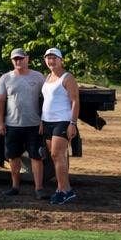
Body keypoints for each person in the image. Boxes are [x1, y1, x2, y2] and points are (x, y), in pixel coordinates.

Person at [0, 48, 46, 198]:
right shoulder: (6, 78)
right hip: (12, 125)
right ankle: (15, 187)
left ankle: (39, 189)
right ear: (12, 60)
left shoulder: (38, 77)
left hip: (33, 124)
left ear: (27, 59)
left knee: (36, 157)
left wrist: (43, 120)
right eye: (15, 59)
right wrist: (0, 121)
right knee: (13, 156)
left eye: (21, 58)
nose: (18, 61)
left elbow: (45, 99)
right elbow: (1, 100)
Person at [41, 48, 81, 204]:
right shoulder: (47, 78)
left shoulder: (67, 78)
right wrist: (41, 121)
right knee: (54, 156)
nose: (51, 61)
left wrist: (73, 123)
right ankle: (66, 188)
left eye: (54, 58)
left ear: (61, 60)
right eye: (48, 58)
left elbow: (75, 101)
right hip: (47, 122)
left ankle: (62, 190)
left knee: (57, 155)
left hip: (62, 121)